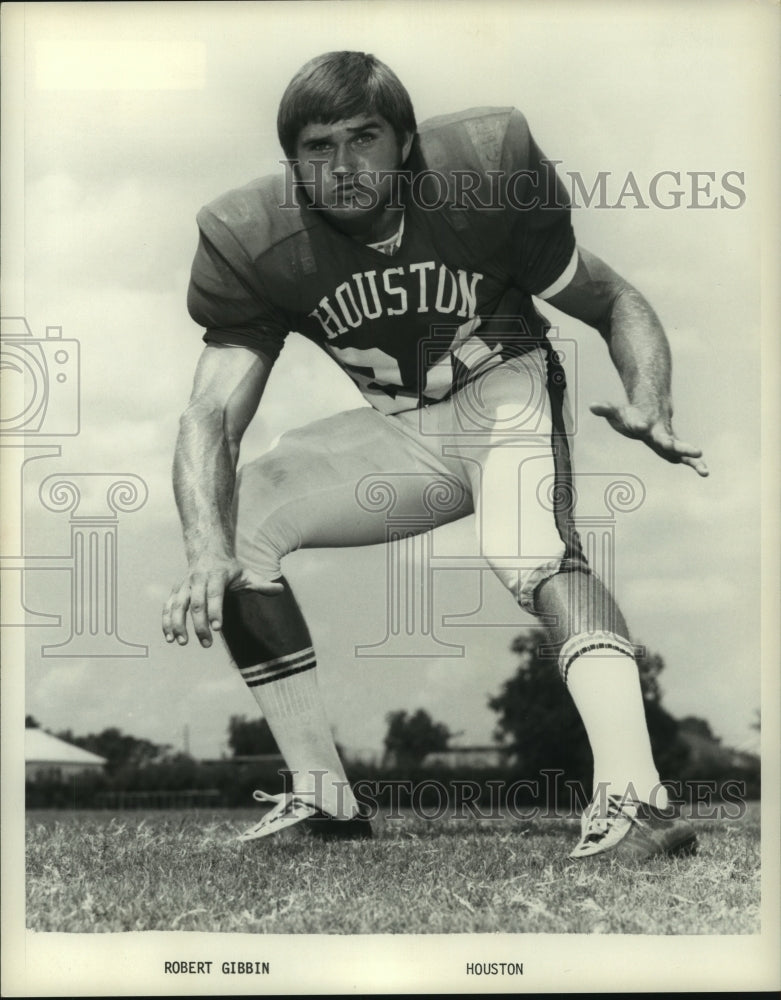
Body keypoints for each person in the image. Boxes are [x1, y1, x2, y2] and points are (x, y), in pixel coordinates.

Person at [162, 51, 707, 860]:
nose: (343, 166)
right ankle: (324, 800)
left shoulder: (481, 178)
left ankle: (636, 799)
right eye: (318, 147)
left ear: (407, 142)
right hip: (401, 426)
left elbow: (613, 298)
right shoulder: (255, 240)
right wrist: (202, 546)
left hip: (505, 392)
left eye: (363, 138)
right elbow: (210, 408)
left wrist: (649, 395)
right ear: (292, 165)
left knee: (527, 553)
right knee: (243, 525)